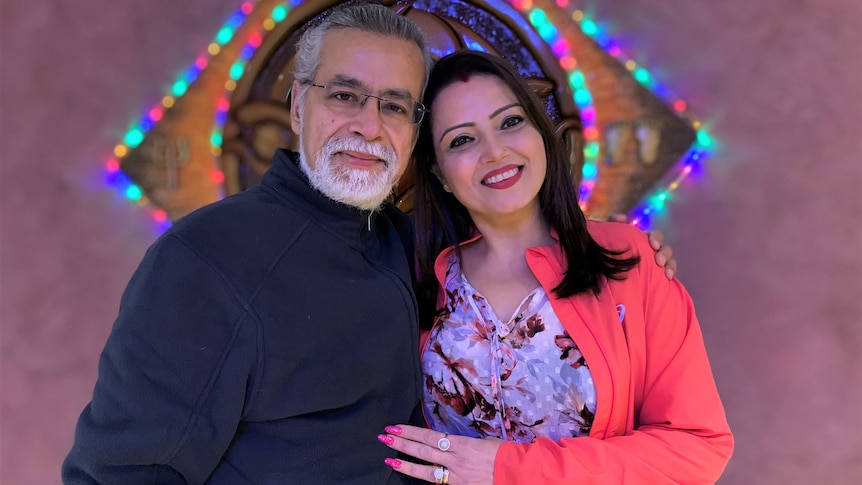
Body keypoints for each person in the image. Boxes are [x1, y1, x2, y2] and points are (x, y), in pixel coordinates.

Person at [63, 5, 676, 484]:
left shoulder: (416, 249)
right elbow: (120, 474)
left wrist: (619, 250)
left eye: (394, 106)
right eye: (345, 95)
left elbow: (513, 235)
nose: (368, 124)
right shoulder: (206, 259)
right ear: (299, 105)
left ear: (415, 135)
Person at [378, 50, 733, 484]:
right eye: (462, 140)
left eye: (510, 122)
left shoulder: (630, 262)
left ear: (540, 132)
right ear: (440, 173)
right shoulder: (414, 281)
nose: (495, 151)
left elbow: (697, 447)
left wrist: (508, 470)